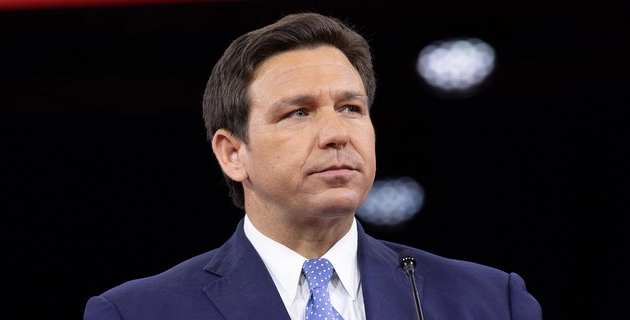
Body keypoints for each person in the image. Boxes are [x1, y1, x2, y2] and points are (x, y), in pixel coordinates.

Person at [83, 11, 542, 320]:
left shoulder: (491, 301)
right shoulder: (138, 311)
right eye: (298, 112)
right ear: (232, 153)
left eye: (350, 108)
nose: (337, 134)